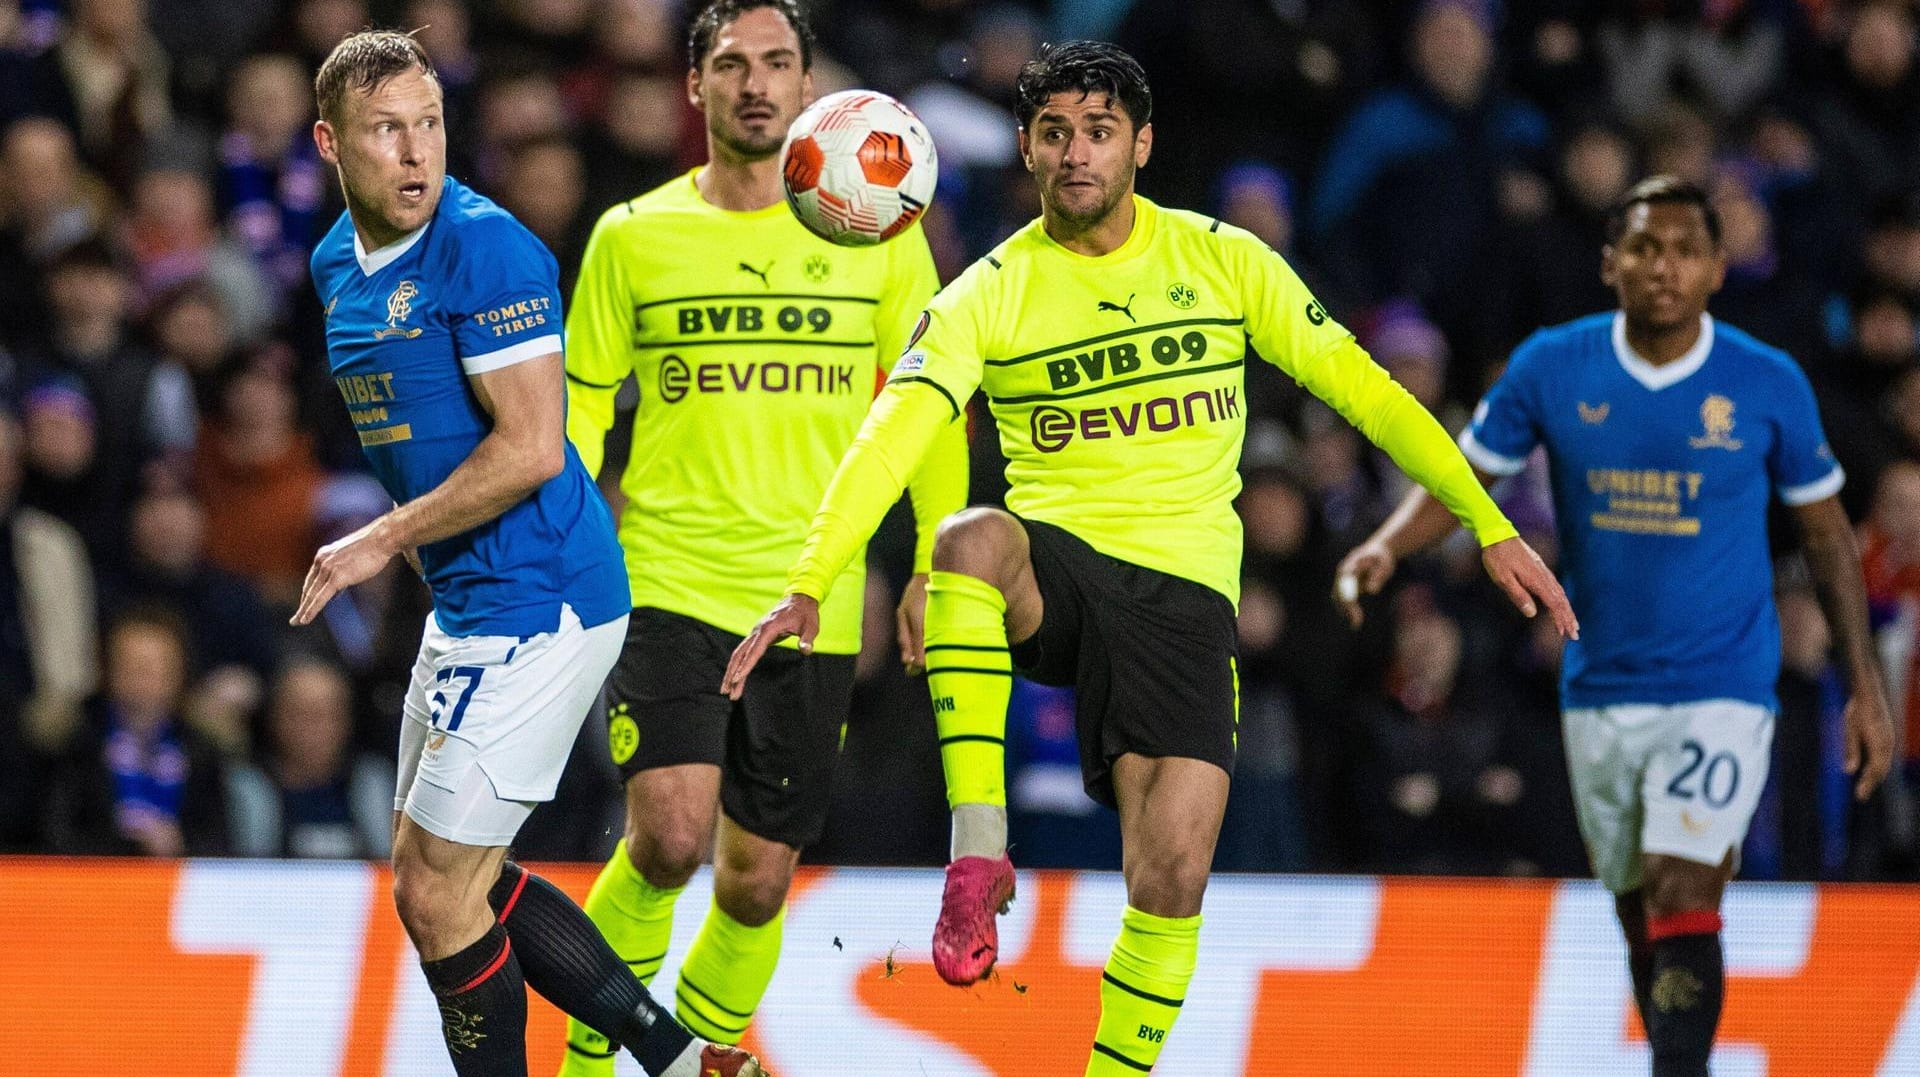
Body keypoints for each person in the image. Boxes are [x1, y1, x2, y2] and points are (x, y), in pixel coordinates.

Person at [723, 40, 1572, 1075]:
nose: (1077, 153)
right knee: (965, 543)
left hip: (1186, 602)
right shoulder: (985, 294)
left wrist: (1488, 523)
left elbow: (1371, 393)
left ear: (1142, 143)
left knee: (1169, 879)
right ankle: (978, 852)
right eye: (1054, 134)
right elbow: (891, 436)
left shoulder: (1224, 259)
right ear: (1028, 153)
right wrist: (811, 581)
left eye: (1099, 130)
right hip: (1062, 573)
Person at [1335, 175, 1896, 1077]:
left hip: (1723, 683)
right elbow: (1467, 479)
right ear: (1610, 263)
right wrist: (1384, 549)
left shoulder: (1766, 380)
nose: (1662, 266)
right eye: (1642, 247)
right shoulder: (1555, 365)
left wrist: (1865, 688)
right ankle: (1680, 1057)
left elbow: (1827, 536)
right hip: (1599, 686)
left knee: (1684, 879)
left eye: (1683, 249)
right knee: (1643, 911)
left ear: (1717, 268)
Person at [296, 29, 765, 1077]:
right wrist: (421, 553)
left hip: (542, 600)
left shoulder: (489, 249)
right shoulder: (338, 263)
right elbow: (408, 435)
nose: (416, 153)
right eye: (386, 132)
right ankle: (684, 1061)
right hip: (468, 601)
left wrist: (382, 541)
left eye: (430, 125)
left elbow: (529, 447)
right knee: (450, 871)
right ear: (330, 142)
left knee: (435, 890)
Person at [558, 2, 963, 1068]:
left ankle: (696, 1056)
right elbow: (584, 401)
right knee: (669, 838)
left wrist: (928, 561)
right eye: (730, 63)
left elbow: (928, 407)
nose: (754, 82)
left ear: (809, 86)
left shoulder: (879, 233)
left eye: (777, 63)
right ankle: (591, 1062)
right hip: (668, 577)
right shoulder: (633, 237)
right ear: (693, 86)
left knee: (757, 880)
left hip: (811, 593)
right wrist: (567, 517)